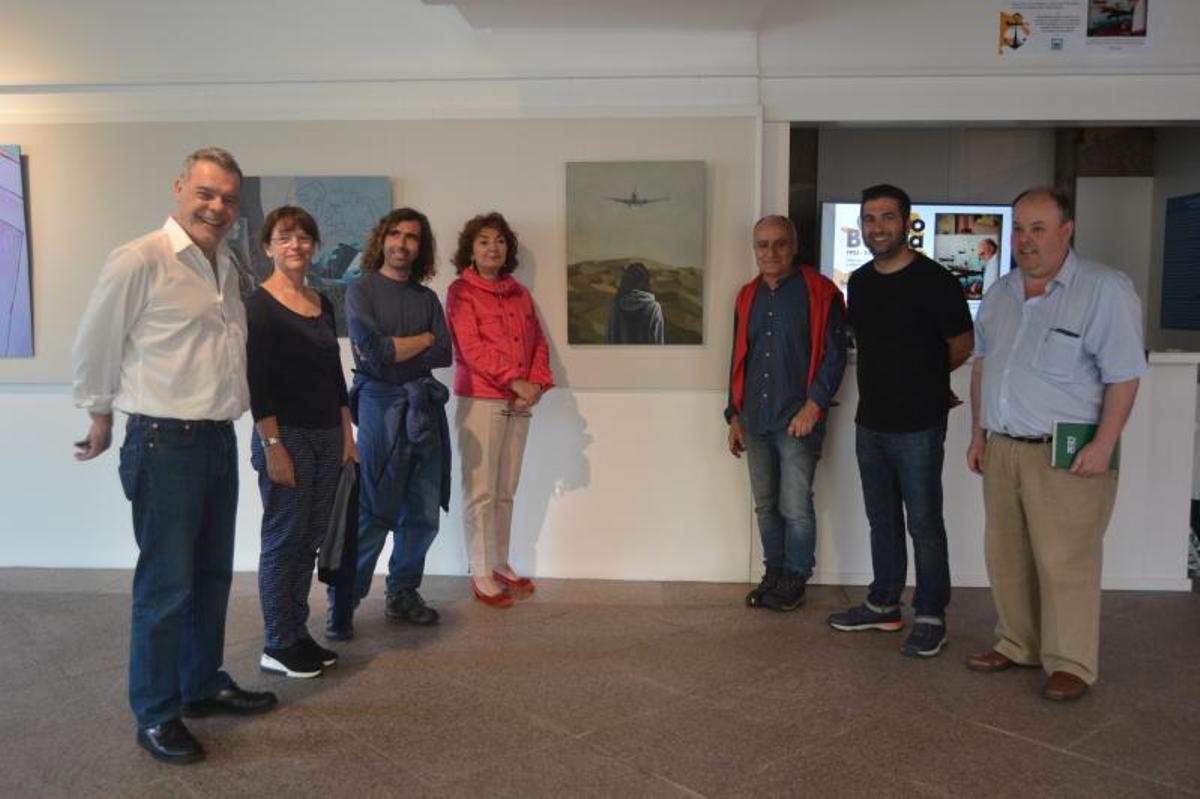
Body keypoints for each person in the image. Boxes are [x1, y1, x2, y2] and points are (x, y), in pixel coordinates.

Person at [72, 148, 277, 765]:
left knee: (211, 577)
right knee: (165, 587)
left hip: (216, 439)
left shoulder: (225, 265)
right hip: (164, 443)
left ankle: (202, 683)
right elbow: (96, 338)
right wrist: (99, 413)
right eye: (206, 193)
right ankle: (156, 713)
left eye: (229, 199)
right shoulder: (141, 259)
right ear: (180, 187)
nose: (217, 207)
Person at [965, 187, 1145, 701]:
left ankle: (1070, 662)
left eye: (1038, 229)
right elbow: (982, 366)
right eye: (1019, 229)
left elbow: (1126, 375)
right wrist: (978, 434)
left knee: (1065, 559)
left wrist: (1105, 442)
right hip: (1003, 448)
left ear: (1067, 231)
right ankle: (1018, 642)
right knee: (1007, 554)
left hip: (1067, 451)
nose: (1026, 240)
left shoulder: (1104, 289)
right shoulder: (1001, 293)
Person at [826, 184, 974, 658]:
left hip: (918, 425)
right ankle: (884, 603)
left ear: (906, 222)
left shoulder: (935, 281)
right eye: (869, 219)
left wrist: (930, 382)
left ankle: (930, 614)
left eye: (887, 217)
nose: (877, 227)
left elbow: (961, 344)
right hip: (871, 423)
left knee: (924, 524)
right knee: (881, 519)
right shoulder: (862, 282)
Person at [326, 207, 452, 638]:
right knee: (373, 512)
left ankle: (403, 593)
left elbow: (444, 354)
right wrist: (422, 340)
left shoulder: (427, 299)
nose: (402, 243)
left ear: (421, 247)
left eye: (412, 237)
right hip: (381, 410)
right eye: (395, 234)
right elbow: (371, 353)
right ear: (382, 240)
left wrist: (403, 348)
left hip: (424, 410)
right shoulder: (360, 292)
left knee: (422, 511)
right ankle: (343, 602)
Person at [245, 206, 356, 678]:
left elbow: (334, 375)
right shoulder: (257, 306)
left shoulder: (322, 302)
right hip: (284, 436)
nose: (297, 245)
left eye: (305, 237)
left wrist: (347, 434)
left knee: (310, 538)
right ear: (268, 247)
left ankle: (296, 633)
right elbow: (258, 383)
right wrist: (273, 447)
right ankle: (276, 642)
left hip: (328, 434)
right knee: (284, 539)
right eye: (285, 237)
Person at [726, 215, 847, 611]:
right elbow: (737, 358)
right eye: (763, 245)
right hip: (756, 419)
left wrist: (814, 405)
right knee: (765, 505)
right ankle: (773, 573)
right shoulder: (746, 296)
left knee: (795, 507)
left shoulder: (820, 293)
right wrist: (734, 415)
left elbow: (834, 356)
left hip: (798, 420)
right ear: (754, 249)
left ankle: (795, 578)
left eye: (779, 243)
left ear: (794, 246)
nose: (771, 252)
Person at [446, 212, 554, 607]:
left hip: (519, 400)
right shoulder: (461, 292)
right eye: (484, 241)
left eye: (500, 241)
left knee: (505, 489)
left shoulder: (519, 293)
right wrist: (515, 380)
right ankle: (479, 572)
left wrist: (538, 383)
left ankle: (499, 562)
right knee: (481, 492)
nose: (494, 248)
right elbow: (472, 349)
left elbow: (538, 340)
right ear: (471, 251)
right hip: (482, 399)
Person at [606, 261, 665, 344]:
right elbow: (658, 342)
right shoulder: (654, 307)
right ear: (646, 281)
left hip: (620, 356)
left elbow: (611, 339)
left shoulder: (616, 305)